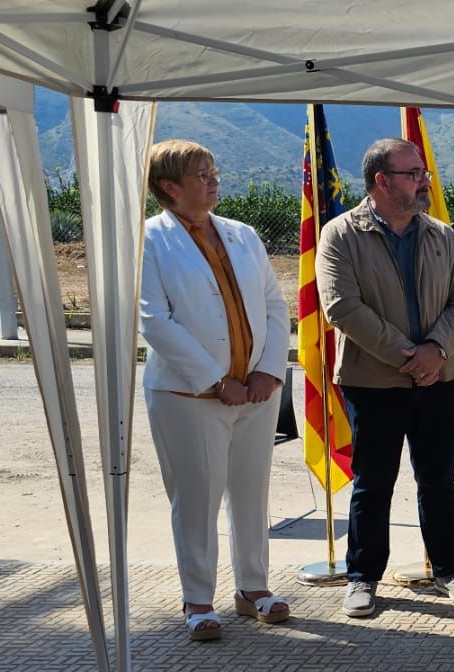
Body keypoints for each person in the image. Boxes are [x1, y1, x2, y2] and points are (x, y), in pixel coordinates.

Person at [317, 138, 454, 618]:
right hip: (373, 382)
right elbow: (341, 307)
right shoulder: (341, 234)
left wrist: (435, 351)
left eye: (423, 172)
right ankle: (363, 577)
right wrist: (409, 355)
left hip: (440, 377)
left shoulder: (442, 235)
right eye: (413, 173)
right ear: (382, 181)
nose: (423, 180)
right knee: (373, 483)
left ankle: (449, 570)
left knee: (438, 479)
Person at [139, 139, 291, 641]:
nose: (213, 180)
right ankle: (198, 600)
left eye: (213, 171)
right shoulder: (149, 241)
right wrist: (213, 379)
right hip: (189, 396)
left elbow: (273, 304)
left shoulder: (243, 235)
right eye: (201, 174)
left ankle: (253, 588)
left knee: (252, 491)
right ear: (169, 186)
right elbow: (153, 320)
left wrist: (269, 369)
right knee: (198, 497)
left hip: (256, 391)